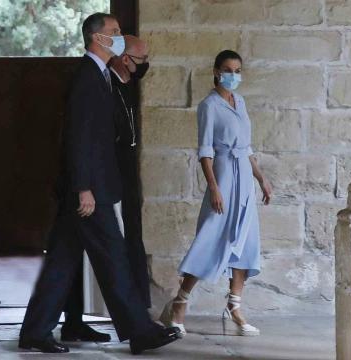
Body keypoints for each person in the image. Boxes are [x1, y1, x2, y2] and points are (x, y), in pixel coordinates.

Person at [18, 13, 179, 355]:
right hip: (89, 192)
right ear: (97, 38)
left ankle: (34, 331)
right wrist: (83, 188)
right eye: (115, 32)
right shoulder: (87, 77)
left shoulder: (100, 75)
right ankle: (139, 331)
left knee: (61, 263)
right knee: (114, 258)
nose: (120, 37)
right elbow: (78, 137)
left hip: (92, 187)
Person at [159, 50, 273, 337]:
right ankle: (179, 303)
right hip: (222, 175)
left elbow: (246, 147)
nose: (232, 75)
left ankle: (234, 307)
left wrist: (261, 179)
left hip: (245, 178)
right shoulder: (208, 105)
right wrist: (214, 187)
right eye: (227, 69)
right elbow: (205, 150)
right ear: (215, 71)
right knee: (210, 239)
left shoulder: (241, 102)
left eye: (237, 70)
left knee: (246, 243)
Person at [107, 35, 151, 307]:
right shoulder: (105, 87)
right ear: (125, 59)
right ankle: (134, 317)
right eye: (142, 59)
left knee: (133, 238)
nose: (146, 64)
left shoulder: (128, 86)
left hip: (128, 176)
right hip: (110, 178)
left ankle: (139, 311)